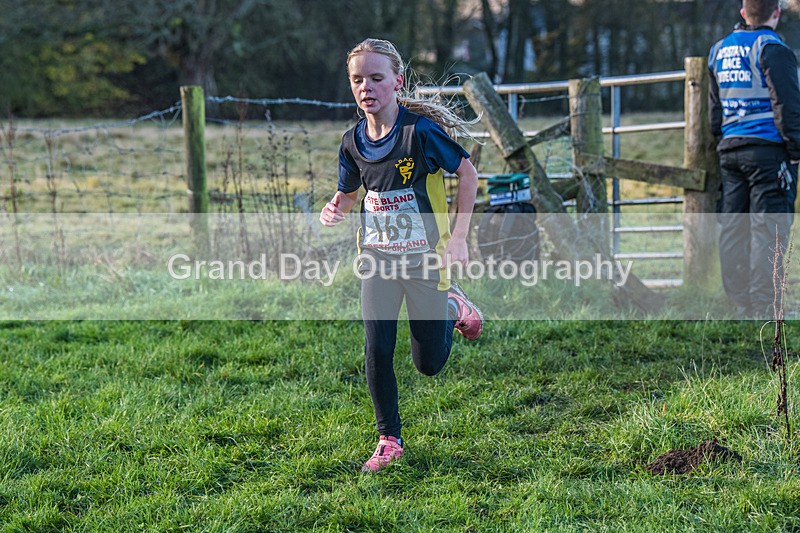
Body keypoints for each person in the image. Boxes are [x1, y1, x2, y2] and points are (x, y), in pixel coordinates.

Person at [319, 38, 484, 472]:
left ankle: (450, 307)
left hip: (426, 261)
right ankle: (388, 438)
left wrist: (459, 238)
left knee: (428, 363)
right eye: (358, 79)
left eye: (376, 77)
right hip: (377, 259)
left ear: (398, 80)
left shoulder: (419, 133)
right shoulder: (351, 141)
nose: (366, 87)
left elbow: (468, 175)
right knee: (377, 348)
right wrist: (336, 207)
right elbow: (351, 193)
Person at [708, 0, 800, 319]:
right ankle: (765, 307)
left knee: (733, 227)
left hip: (730, 151)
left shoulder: (717, 50)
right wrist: (795, 151)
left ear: (743, 12)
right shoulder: (773, 47)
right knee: (768, 228)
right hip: (768, 152)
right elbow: (787, 105)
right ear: (776, 13)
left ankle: (738, 304)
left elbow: (713, 113)